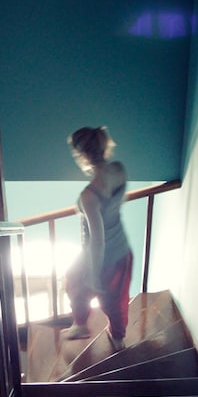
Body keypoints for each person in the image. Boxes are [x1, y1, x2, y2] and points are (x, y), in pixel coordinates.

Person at [61, 126, 132, 351]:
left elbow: (97, 240)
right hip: (121, 249)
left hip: (101, 254)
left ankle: (114, 337)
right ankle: (87, 326)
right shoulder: (119, 170)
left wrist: (93, 274)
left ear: (81, 155)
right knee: (77, 282)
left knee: (106, 297)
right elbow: (117, 202)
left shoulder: (89, 195)